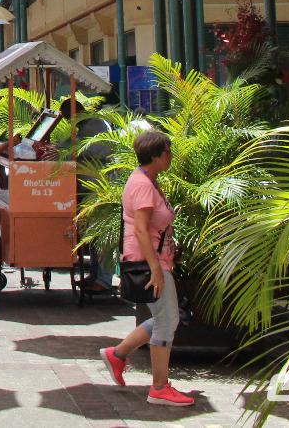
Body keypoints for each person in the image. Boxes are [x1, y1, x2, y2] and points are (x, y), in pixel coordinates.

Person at [102, 131, 193, 407]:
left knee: (168, 316)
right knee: (167, 320)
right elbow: (141, 229)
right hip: (148, 261)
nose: (171, 156)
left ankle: (118, 354)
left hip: (157, 259)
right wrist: (155, 267)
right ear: (155, 155)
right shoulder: (142, 184)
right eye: (167, 151)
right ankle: (159, 387)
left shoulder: (148, 181)